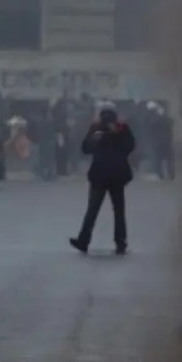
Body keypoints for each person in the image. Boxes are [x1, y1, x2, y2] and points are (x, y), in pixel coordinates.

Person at [69, 103, 135, 255]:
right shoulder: (117, 128)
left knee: (94, 209)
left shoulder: (117, 129)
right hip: (114, 175)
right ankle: (120, 242)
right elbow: (130, 147)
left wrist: (113, 135)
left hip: (101, 175)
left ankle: (84, 240)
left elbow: (85, 149)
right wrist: (97, 139)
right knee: (117, 210)